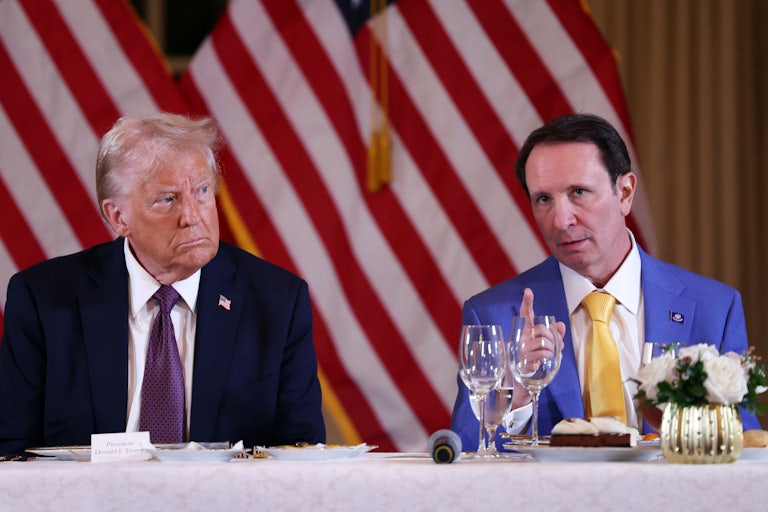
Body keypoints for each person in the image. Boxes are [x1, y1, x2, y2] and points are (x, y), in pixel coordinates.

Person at [0, 113, 325, 455]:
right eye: (167, 199)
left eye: (201, 191)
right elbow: (10, 452)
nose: (193, 216)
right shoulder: (44, 301)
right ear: (118, 217)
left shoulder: (277, 302)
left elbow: (302, 454)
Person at [450, 113, 760, 451]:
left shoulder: (714, 308)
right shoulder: (492, 314)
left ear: (625, 192)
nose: (561, 220)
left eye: (579, 192)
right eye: (543, 199)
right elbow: (463, 452)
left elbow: (742, 445)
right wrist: (516, 390)